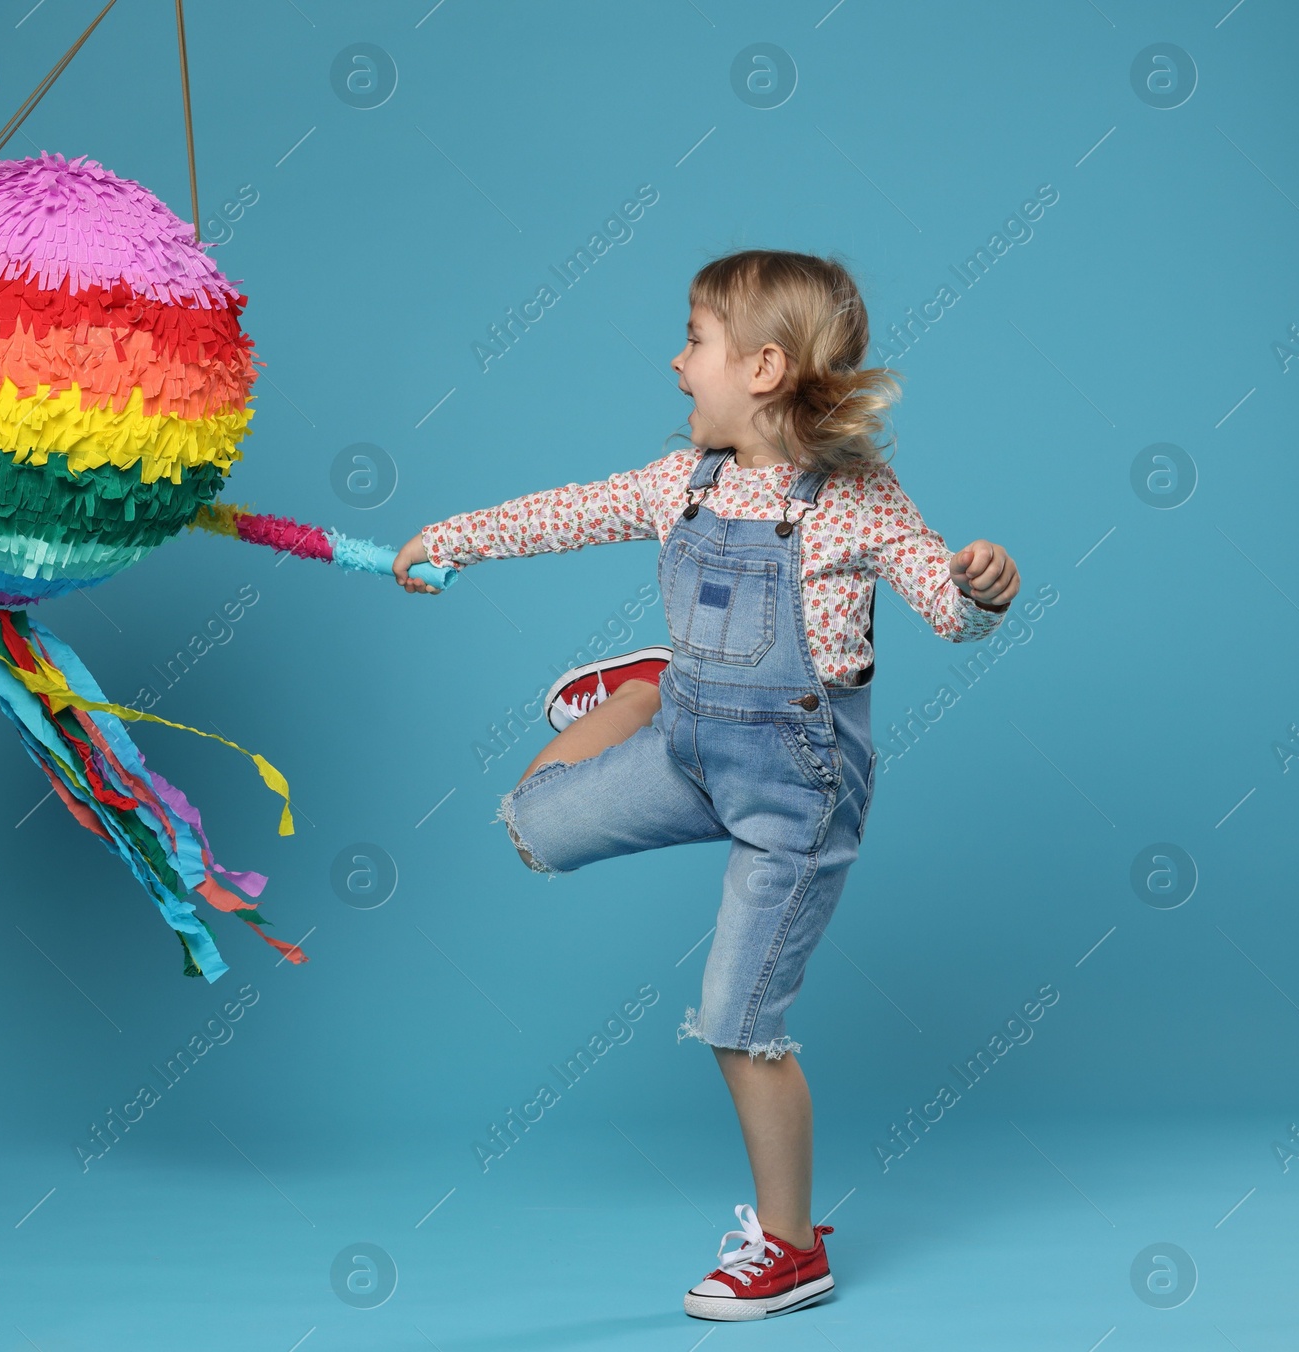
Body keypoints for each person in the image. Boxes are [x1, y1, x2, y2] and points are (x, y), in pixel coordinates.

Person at [392, 249, 1020, 1321]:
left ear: (764, 366)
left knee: (739, 1021)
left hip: (795, 793)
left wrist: (980, 585)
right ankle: (642, 690)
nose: (675, 361)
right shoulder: (682, 482)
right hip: (686, 742)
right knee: (530, 828)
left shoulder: (858, 501)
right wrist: (453, 536)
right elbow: (566, 511)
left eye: (694, 341)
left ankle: (788, 1246)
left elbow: (949, 613)